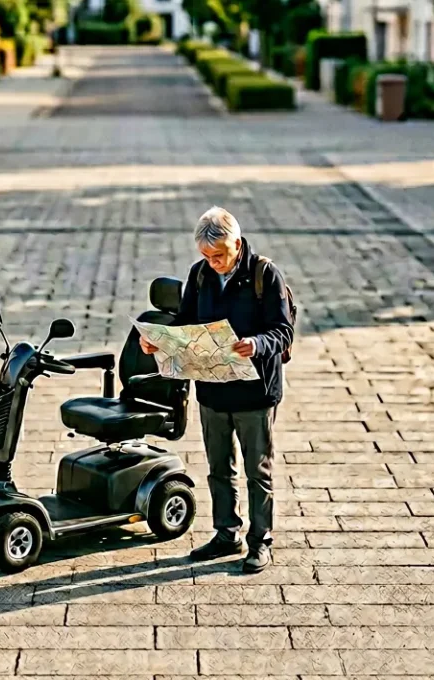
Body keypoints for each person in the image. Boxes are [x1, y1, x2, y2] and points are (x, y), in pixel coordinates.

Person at [141, 206, 294, 573]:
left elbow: (283, 330)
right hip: (212, 389)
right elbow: (185, 324)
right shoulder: (199, 275)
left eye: (220, 255)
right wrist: (160, 342)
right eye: (207, 256)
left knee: (258, 470)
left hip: (255, 392)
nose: (214, 263)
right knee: (218, 469)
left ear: (237, 245)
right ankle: (227, 533)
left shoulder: (264, 275)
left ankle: (261, 541)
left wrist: (256, 343)